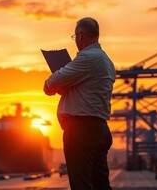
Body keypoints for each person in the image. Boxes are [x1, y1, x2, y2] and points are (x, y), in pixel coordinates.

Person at [43, 17, 115, 190]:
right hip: (99, 129)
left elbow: (52, 82)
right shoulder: (107, 62)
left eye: (75, 37)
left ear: (80, 36)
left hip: (81, 130)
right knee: (100, 185)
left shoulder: (88, 58)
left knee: (80, 184)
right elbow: (86, 89)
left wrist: (50, 85)